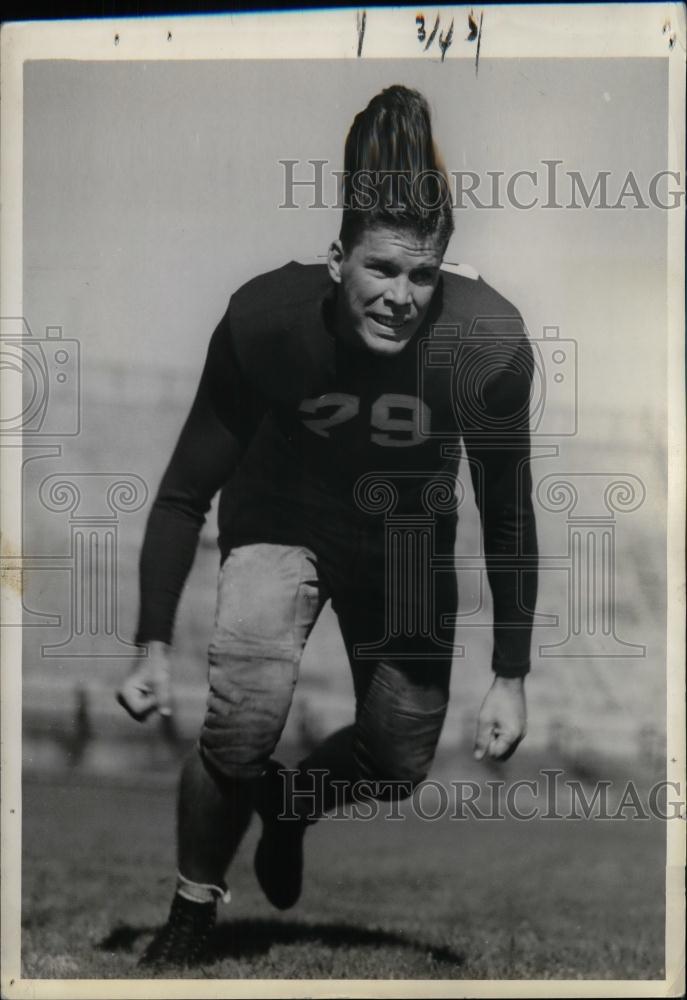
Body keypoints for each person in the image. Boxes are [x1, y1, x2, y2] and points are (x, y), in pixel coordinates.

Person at [117, 84, 538, 969]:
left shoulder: (486, 344)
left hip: (405, 542)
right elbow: (187, 489)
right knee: (244, 718)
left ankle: (297, 801)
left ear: (446, 270)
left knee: (397, 758)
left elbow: (506, 510)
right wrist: (152, 643)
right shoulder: (267, 323)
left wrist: (510, 673)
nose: (399, 296)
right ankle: (193, 910)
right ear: (335, 256)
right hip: (281, 516)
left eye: (421, 275)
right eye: (379, 269)